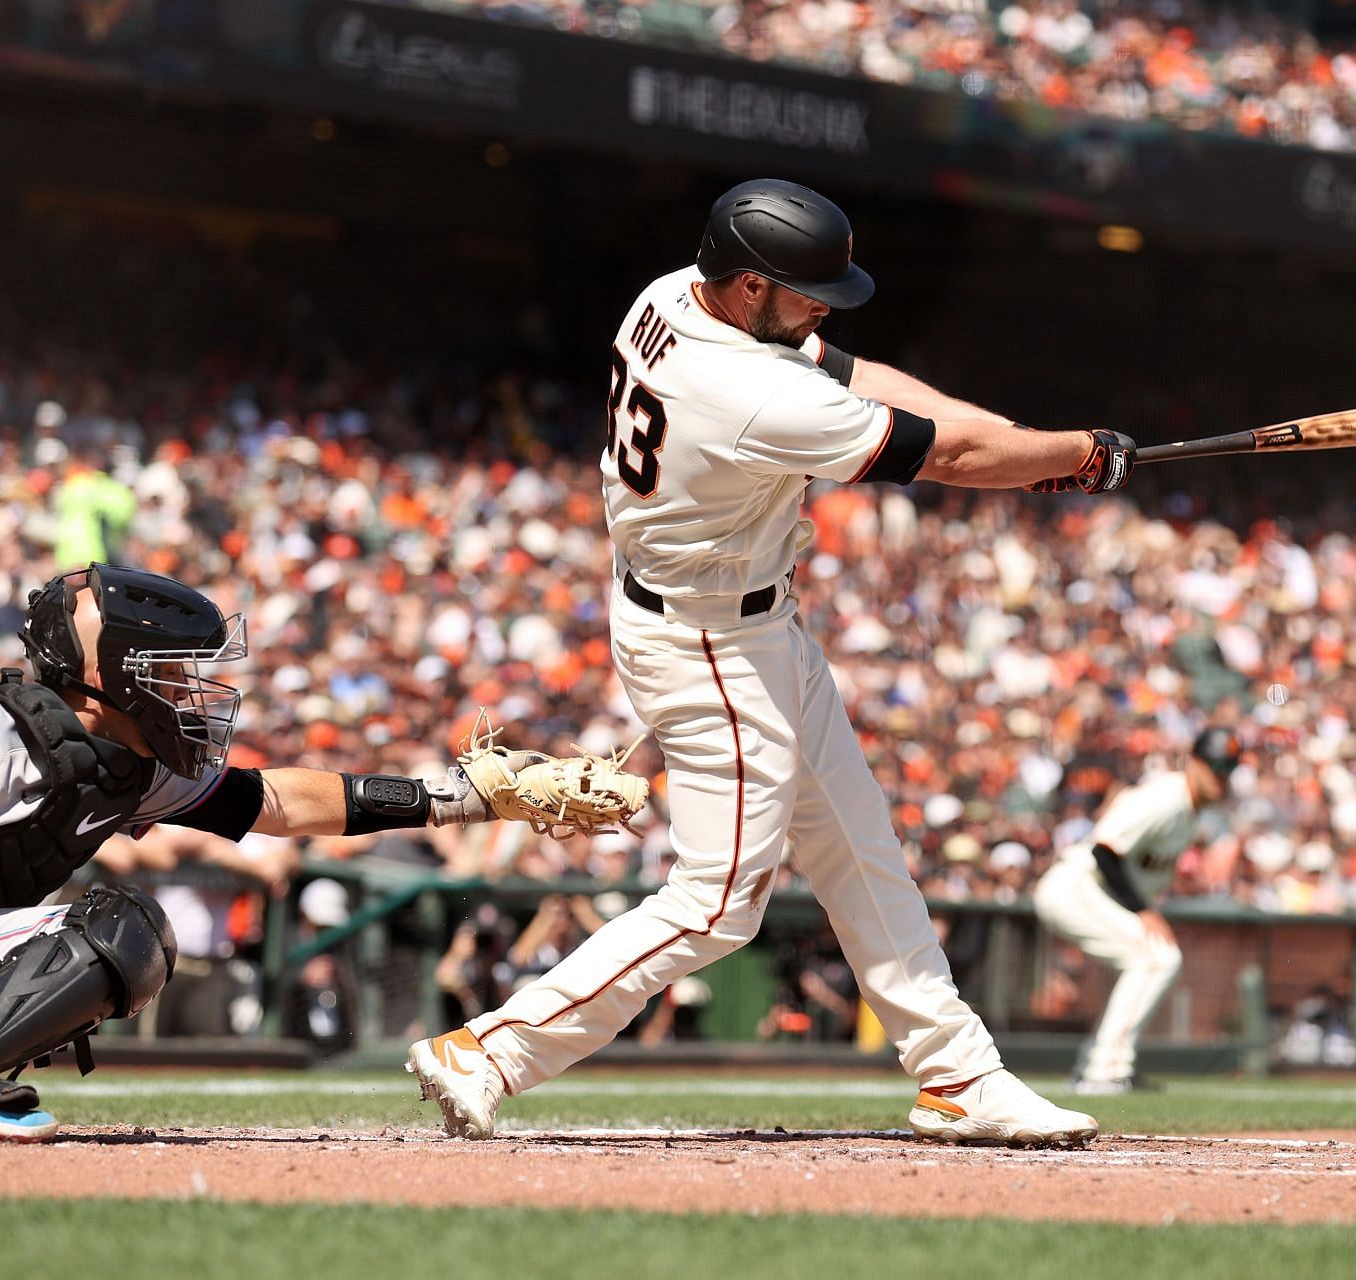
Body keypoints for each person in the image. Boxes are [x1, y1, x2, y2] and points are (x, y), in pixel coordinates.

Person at [407, 178, 1134, 1147]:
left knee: (861, 851)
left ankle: (958, 1072)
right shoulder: (749, 391)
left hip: (738, 617)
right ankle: (492, 1048)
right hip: (707, 640)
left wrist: (1023, 443)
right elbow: (943, 459)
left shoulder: (675, 293)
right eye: (804, 288)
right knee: (715, 901)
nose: (824, 302)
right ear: (749, 286)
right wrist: (1066, 455)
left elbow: (862, 375)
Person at [0, 563, 593, 1142]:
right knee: (112, 929)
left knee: (137, 934)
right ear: (112, 673)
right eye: (169, 670)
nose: (187, 691)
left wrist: (462, 797)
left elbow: (279, 802)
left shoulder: (122, 769)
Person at [1029, 726, 1241, 1093]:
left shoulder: (1191, 812)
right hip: (1077, 885)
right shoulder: (1166, 795)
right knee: (1157, 958)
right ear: (1194, 762)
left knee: (1148, 959)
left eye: (1228, 769)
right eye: (1214, 766)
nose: (1220, 777)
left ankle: (1094, 1066)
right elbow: (1105, 850)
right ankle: (1105, 1070)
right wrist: (1143, 910)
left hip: (1094, 891)